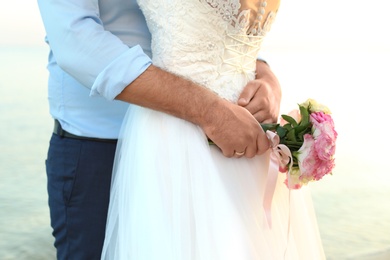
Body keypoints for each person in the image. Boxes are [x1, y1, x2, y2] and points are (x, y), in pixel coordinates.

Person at [37, 0, 282, 259]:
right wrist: (211, 112)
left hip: (209, 144)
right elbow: (76, 41)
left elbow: (213, 21)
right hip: (100, 144)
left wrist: (265, 74)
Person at [101, 0, 326, 259]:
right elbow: (78, 41)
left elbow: (238, 43)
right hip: (182, 140)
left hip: (255, 143)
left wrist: (268, 78)